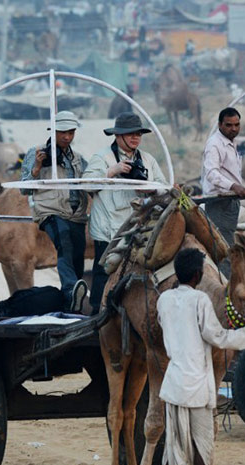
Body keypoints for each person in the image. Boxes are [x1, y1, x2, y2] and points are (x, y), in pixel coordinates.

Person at [157, 248, 245, 465]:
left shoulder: (164, 299)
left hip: (174, 384)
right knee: (202, 445)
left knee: (173, 447)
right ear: (198, 274)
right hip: (196, 386)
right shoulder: (200, 300)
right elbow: (218, 337)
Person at [83, 112, 167, 315]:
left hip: (137, 229)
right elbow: (85, 184)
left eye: (138, 133)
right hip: (108, 228)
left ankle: (130, 312)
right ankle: (97, 314)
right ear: (117, 136)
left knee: (137, 273)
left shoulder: (147, 159)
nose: (135, 137)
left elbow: (164, 188)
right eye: (130, 133)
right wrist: (111, 172)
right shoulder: (103, 158)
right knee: (104, 271)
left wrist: (151, 189)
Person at [21, 111, 89, 313]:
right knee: (64, 243)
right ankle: (70, 288)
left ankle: (72, 306)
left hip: (76, 214)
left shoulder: (78, 159)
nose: (67, 137)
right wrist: (36, 167)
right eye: (62, 132)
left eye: (70, 132)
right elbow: (24, 188)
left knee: (78, 257)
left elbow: (89, 182)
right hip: (50, 211)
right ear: (54, 131)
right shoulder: (35, 153)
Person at [200, 107, 245, 277]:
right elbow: (212, 173)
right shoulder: (214, 144)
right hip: (219, 202)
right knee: (224, 248)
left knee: (227, 244)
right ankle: (226, 292)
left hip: (230, 201)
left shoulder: (230, 142)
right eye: (229, 125)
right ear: (220, 125)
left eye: (236, 125)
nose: (233, 128)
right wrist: (234, 186)